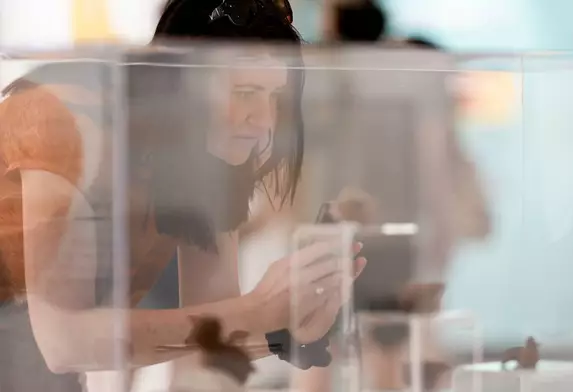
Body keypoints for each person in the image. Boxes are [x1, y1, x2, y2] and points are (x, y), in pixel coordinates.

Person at [0, 1, 366, 391]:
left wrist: (289, 329)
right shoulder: (67, 116)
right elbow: (62, 342)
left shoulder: (212, 158)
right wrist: (258, 311)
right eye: (245, 91)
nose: (263, 120)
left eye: (274, 96)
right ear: (178, 81)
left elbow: (214, 329)